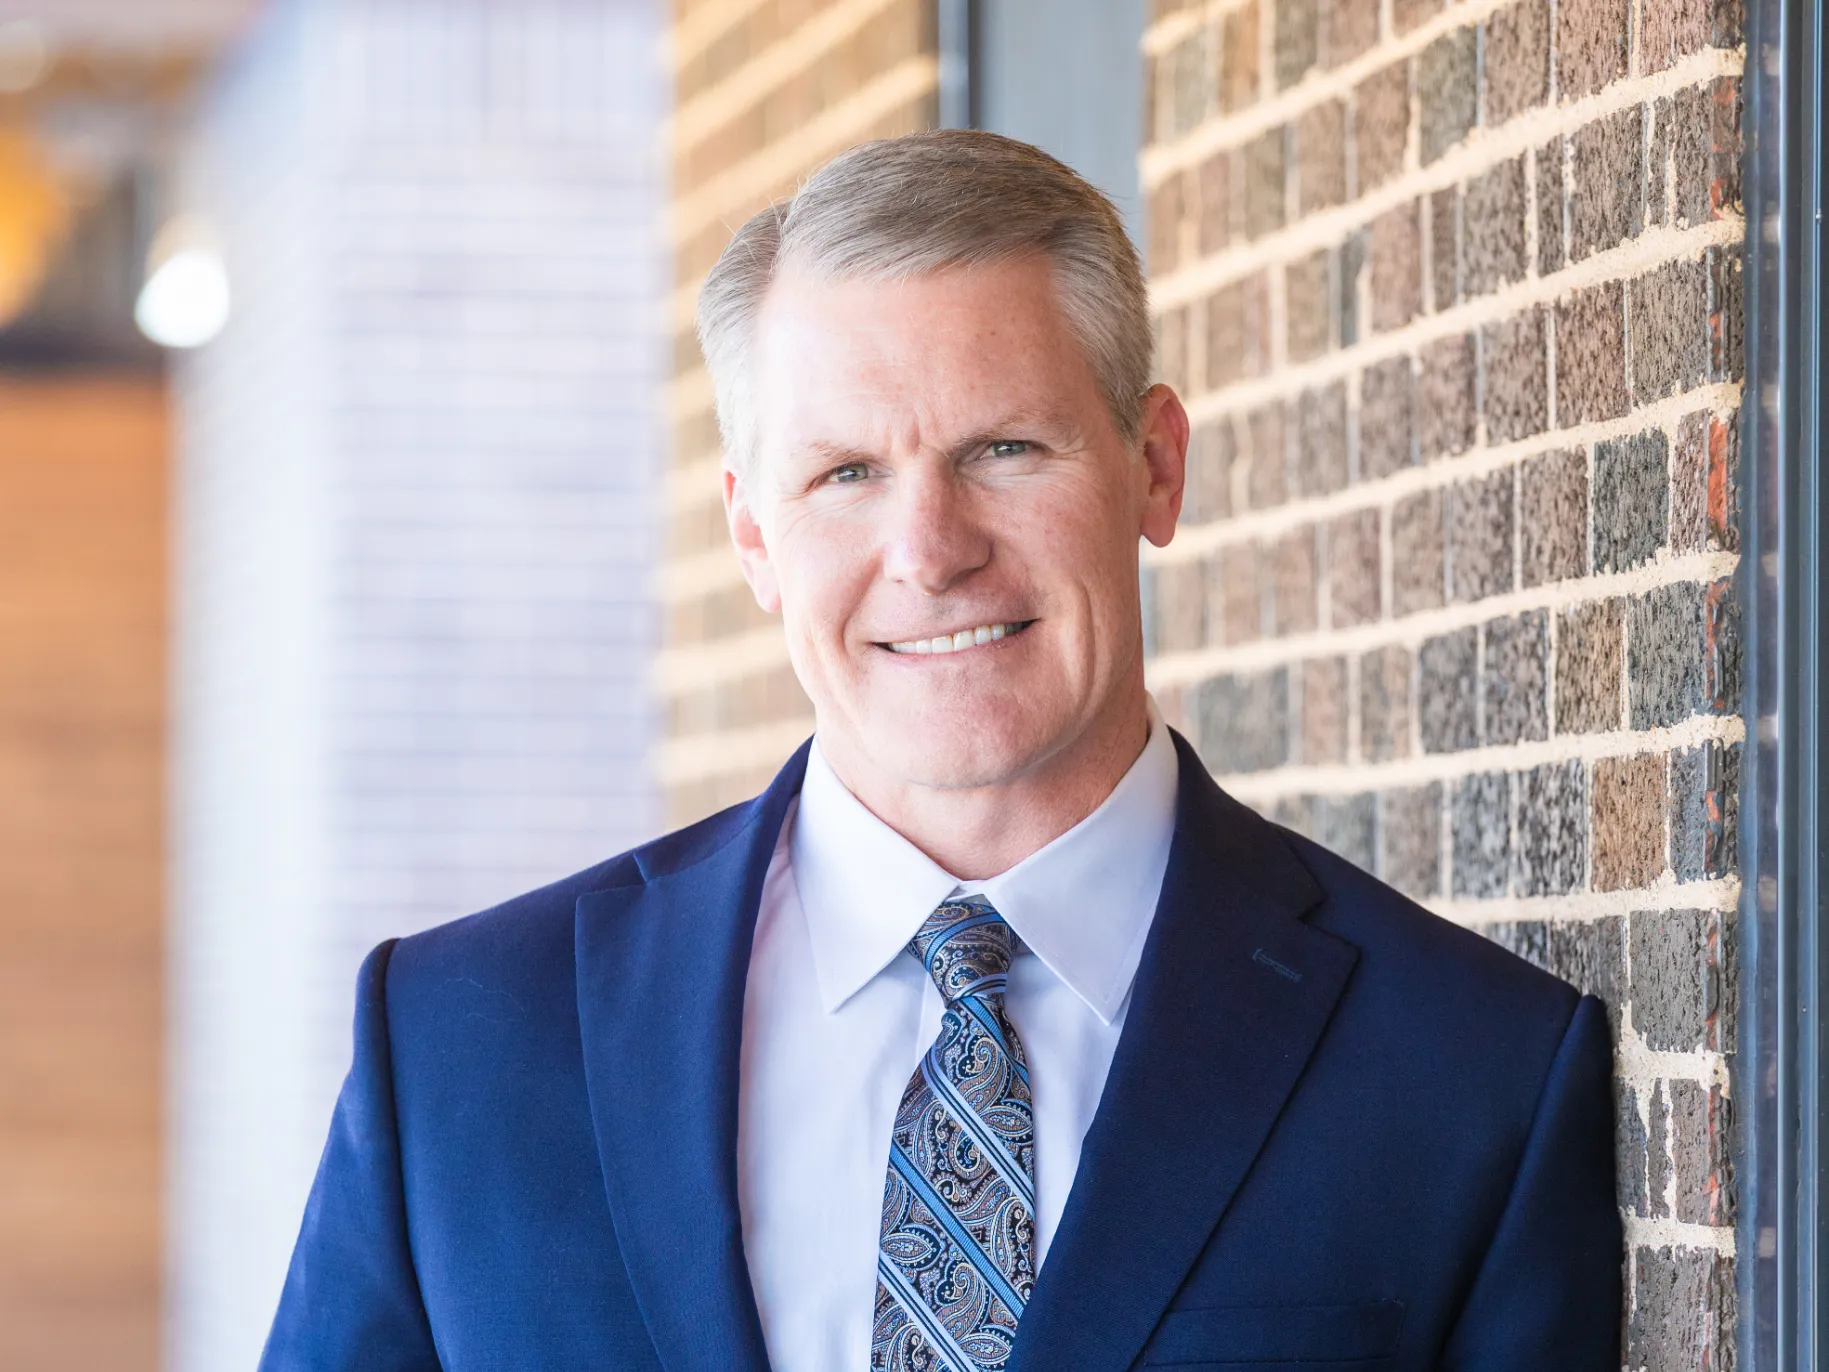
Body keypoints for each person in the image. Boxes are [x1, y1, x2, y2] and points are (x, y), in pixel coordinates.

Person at [261, 130, 1620, 1372]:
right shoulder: (459, 1048)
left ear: (1155, 466)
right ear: (751, 536)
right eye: (845, 473)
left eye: (1007, 447)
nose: (931, 552)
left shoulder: (1467, 1071)